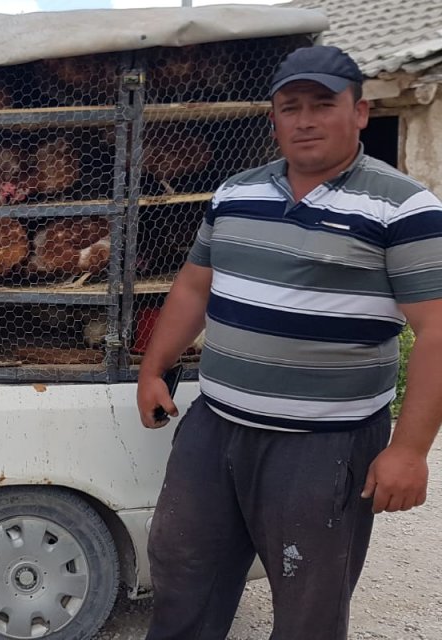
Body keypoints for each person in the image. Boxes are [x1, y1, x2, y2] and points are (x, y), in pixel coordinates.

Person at [137, 45, 442, 639]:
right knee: (182, 578)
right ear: (273, 118)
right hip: (215, 427)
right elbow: (194, 288)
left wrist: (409, 451)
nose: (304, 120)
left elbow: (438, 331)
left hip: (323, 447)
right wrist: (155, 369)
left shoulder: (404, 208)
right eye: (290, 107)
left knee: (308, 608)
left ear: (360, 112)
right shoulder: (235, 193)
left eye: (323, 105)